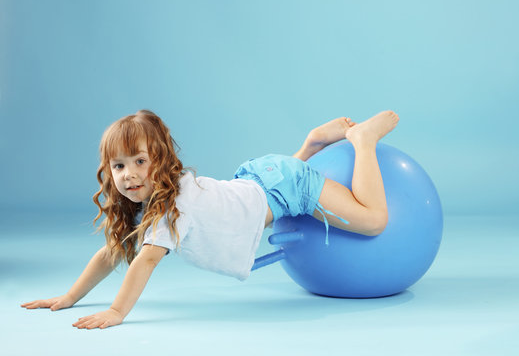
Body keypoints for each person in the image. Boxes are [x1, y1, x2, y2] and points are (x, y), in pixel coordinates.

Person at [21, 109, 399, 329]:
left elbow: (144, 261)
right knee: (262, 194)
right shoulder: (159, 197)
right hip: (261, 178)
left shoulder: (172, 208)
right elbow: (110, 253)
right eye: (119, 166)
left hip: (288, 184)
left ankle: (363, 141)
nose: (129, 175)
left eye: (140, 161)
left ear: (163, 162)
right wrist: (70, 297)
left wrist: (117, 311)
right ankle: (311, 145)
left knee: (375, 220)